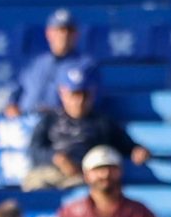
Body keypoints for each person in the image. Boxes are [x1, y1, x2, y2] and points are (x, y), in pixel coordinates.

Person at [23, 61, 149, 191]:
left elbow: (126, 144)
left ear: (93, 93)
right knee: (34, 182)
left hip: (83, 178)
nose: (80, 101)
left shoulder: (102, 123)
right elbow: (34, 149)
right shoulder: (49, 120)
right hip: (50, 174)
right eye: (74, 94)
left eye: (85, 94)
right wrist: (57, 158)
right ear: (62, 93)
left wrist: (137, 150)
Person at [5, 8, 89, 118]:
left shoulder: (86, 66)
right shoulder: (35, 63)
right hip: (24, 123)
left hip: (60, 127)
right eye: (59, 29)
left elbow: (88, 102)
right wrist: (12, 107)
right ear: (49, 33)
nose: (64, 35)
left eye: (69, 30)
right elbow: (14, 96)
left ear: (76, 34)